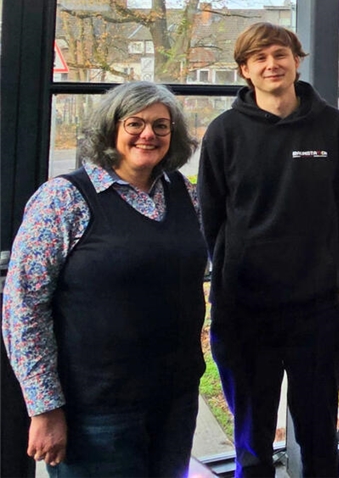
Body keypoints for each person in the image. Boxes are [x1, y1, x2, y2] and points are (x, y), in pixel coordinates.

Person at [2, 81, 206, 477]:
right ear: (111, 129)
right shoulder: (64, 199)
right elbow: (22, 305)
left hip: (174, 400)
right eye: (135, 123)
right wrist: (44, 408)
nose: (148, 134)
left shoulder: (184, 193)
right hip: (95, 413)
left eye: (161, 126)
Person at [199, 22, 339, 477]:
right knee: (252, 443)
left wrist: (325, 266)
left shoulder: (331, 126)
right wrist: (235, 271)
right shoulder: (224, 132)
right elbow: (212, 217)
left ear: (296, 61)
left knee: (318, 435)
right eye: (260, 58)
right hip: (245, 311)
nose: (272, 64)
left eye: (281, 54)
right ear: (245, 70)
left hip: (316, 308)